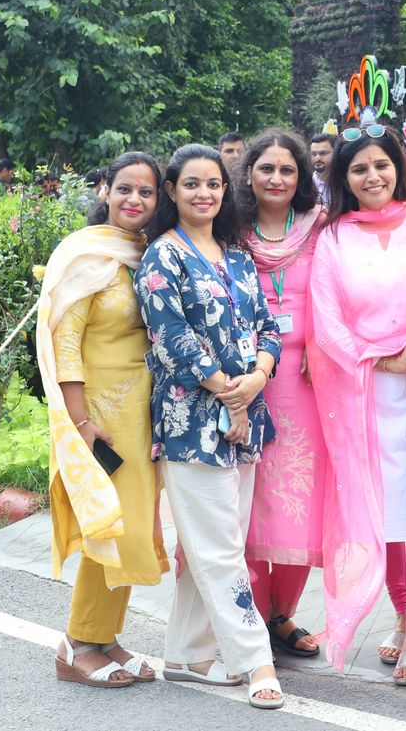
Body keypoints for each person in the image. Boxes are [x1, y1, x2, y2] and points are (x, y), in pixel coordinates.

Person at [134, 143, 285, 709]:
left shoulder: (238, 255)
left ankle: (187, 654)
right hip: (192, 425)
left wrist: (258, 378)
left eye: (214, 183)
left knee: (216, 543)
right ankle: (256, 661)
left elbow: (268, 326)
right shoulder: (162, 256)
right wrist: (230, 391)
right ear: (172, 191)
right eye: (192, 184)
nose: (204, 193)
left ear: (226, 190)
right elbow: (171, 340)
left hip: (246, 419)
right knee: (221, 551)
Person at [308, 118, 406, 680]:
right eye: (359, 168)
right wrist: (383, 360)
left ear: (399, 168)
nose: (372, 176)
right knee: (386, 516)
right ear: (344, 177)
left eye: (381, 165)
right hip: (365, 391)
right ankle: (401, 612)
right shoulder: (333, 238)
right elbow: (327, 324)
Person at [37, 152, 167, 689]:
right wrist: (80, 422)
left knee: (132, 525)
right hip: (98, 413)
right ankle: (77, 642)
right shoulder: (83, 255)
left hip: (141, 411)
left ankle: (106, 637)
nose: (134, 199)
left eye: (146, 192)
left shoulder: (146, 253)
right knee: (106, 523)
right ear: (104, 191)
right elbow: (65, 342)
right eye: (125, 189)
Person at [238, 129, 329, 659]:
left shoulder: (321, 227)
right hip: (244, 380)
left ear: (301, 177)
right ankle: (248, 615)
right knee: (249, 502)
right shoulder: (228, 228)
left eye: (287, 170)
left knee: (299, 499)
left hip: (306, 379)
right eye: (267, 168)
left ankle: (282, 614)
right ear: (249, 174)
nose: (276, 178)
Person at [309, 132, 335, 204]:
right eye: (314, 154)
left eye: (323, 153)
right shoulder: (306, 185)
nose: (317, 158)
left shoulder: (346, 183)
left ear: (335, 153)